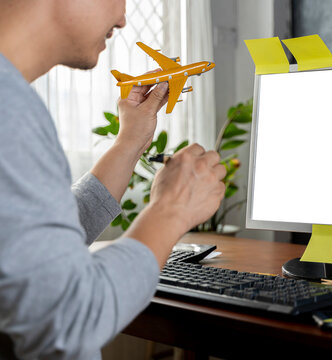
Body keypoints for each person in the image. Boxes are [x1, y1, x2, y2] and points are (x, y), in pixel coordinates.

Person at [0, 0, 226, 358]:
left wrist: (129, 142)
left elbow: (40, 243)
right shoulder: (8, 111)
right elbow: (68, 320)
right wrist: (171, 210)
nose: (122, 19)